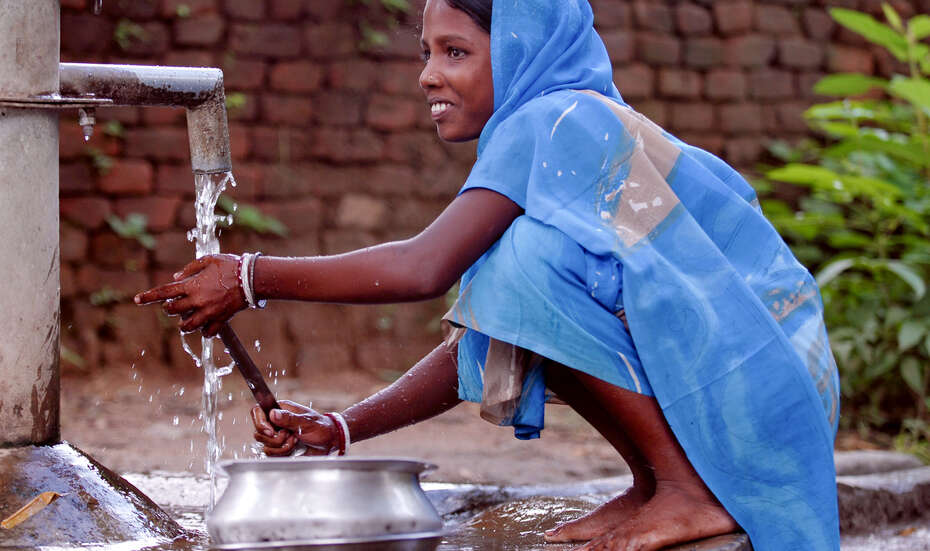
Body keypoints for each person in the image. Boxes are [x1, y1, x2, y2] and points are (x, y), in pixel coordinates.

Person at [136, 0, 842, 550]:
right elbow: (500, 321)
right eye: (425, 52)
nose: (428, 74)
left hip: (765, 378)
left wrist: (252, 275)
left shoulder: (553, 118)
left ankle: (685, 488)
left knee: (520, 262)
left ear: (521, 50)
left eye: (457, 52)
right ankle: (658, 480)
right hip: (762, 387)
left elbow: (424, 266)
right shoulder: (565, 126)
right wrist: (343, 428)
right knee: (518, 269)